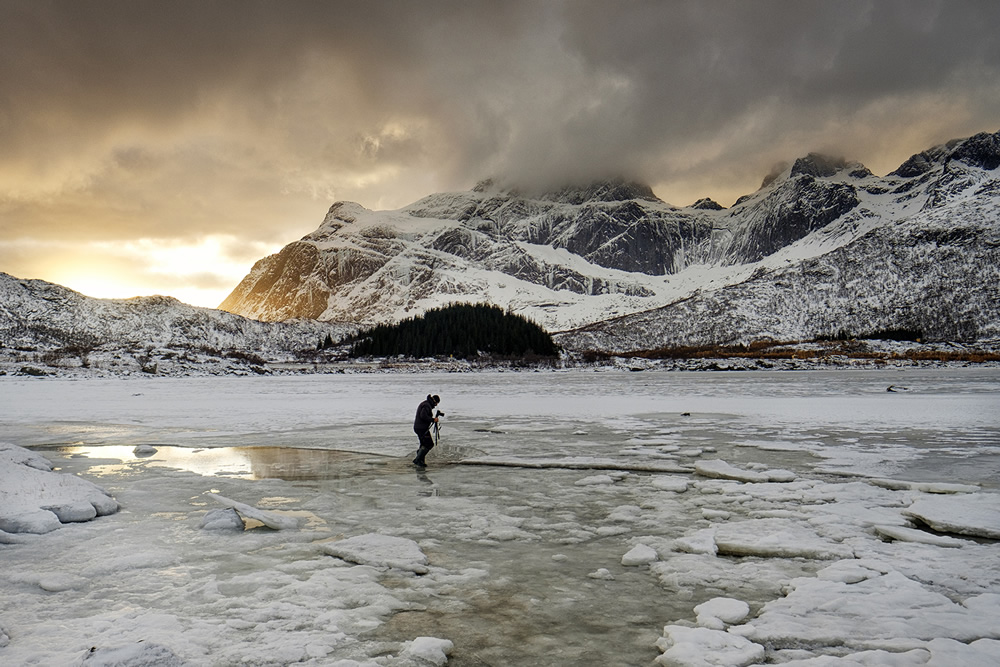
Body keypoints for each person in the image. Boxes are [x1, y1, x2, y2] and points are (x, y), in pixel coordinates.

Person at [412, 394, 441, 467]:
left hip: (419, 427)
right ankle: (417, 459)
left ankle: (420, 461)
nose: (436, 405)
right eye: (436, 403)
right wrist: (433, 419)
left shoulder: (425, 404)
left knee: (423, 444)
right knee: (429, 444)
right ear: (435, 401)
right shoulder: (426, 405)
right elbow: (423, 416)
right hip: (421, 428)